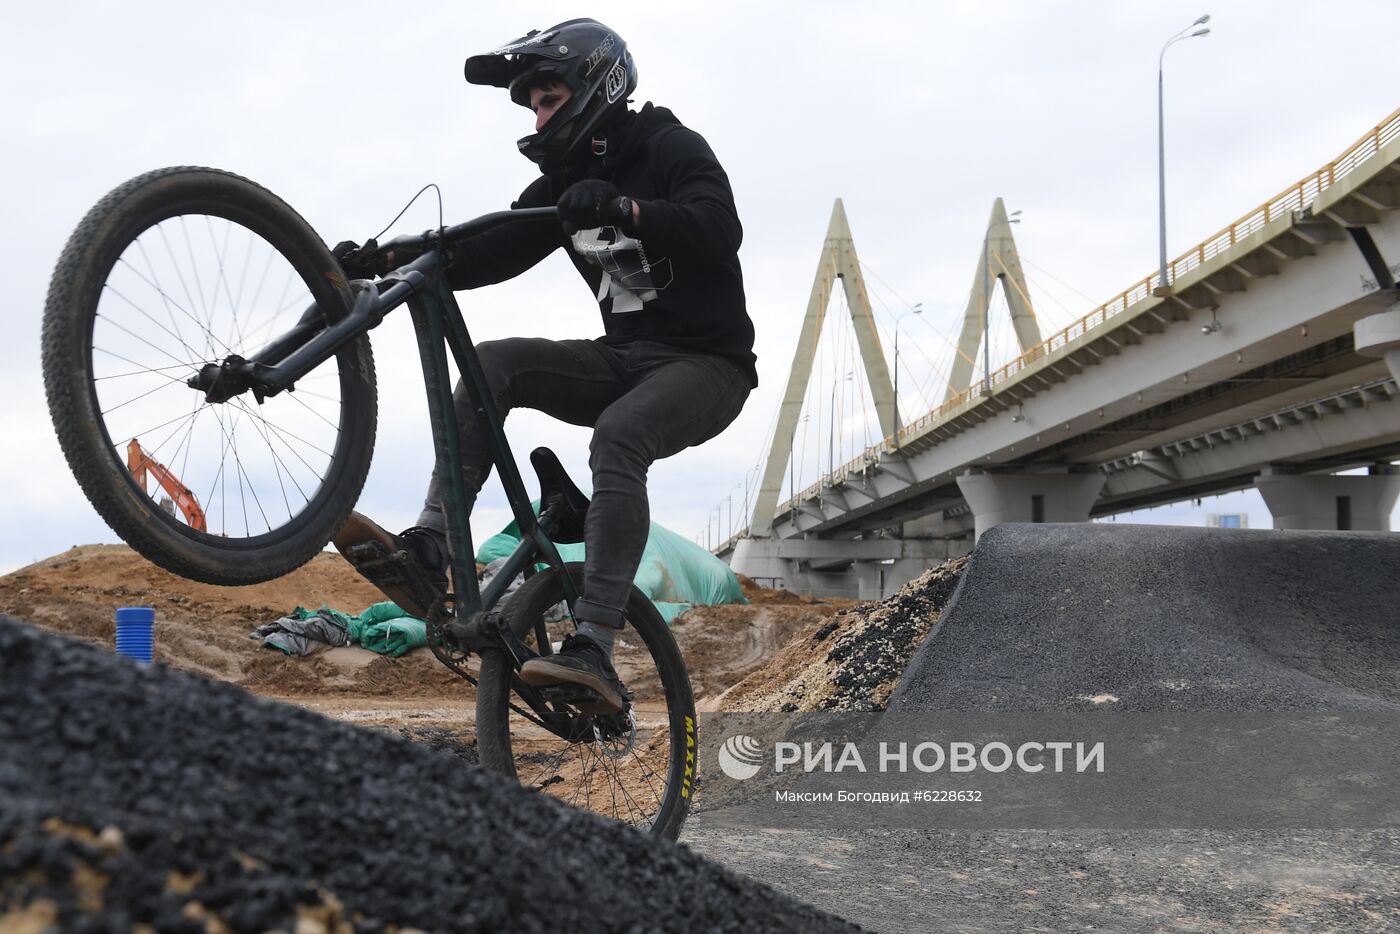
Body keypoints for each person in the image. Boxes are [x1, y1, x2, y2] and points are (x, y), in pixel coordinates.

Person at [332, 18, 756, 714]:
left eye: (548, 98)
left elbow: (718, 229)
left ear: (598, 85)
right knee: (494, 365)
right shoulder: (564, 184)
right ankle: (431, 548)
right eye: (531, 105)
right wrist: (385, 260)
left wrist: (625, 207)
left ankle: (594, 646)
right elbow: (487, 253)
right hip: (622, 358)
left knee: (620, 434)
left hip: (708, 366)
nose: (537, 114)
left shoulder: (667, 144)